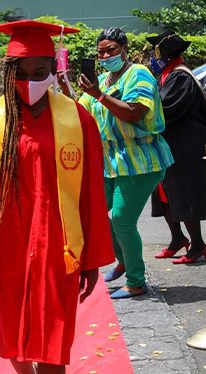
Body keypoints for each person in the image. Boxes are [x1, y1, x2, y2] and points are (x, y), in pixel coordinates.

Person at [0, 20, 115, 374]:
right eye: (21, 73)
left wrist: (91, 259)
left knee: (52, 342)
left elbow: (91, 193)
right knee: (14, 338)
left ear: (54, 70)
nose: (30, 82)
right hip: (7, 250)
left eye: (40, 72)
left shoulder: (77, 120)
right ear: (8, 71)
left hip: (59, 251)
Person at [78, 27, 174, 299]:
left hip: (142, 160)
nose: (106, 55)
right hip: (111, 162)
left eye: (110, 50)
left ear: (124, 48)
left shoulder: (139, 74)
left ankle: (136, 280)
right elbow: (82, 112)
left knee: (121, 220)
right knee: (92, 211)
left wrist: (99, 95)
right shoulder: (104, 80)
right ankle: (123, 258)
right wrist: (66, 89)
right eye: (101, 52)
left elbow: (134, 113)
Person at [146, 32, 206, 264]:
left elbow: (166, 109)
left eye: (156, 53)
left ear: (167, 55)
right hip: (171, 145)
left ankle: (198, 244)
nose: (153, 58)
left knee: (182, 193)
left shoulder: (180, 77)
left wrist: (140, 109)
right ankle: (177, 239)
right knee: (163, 193)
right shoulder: (167, 75)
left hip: (186, 146)